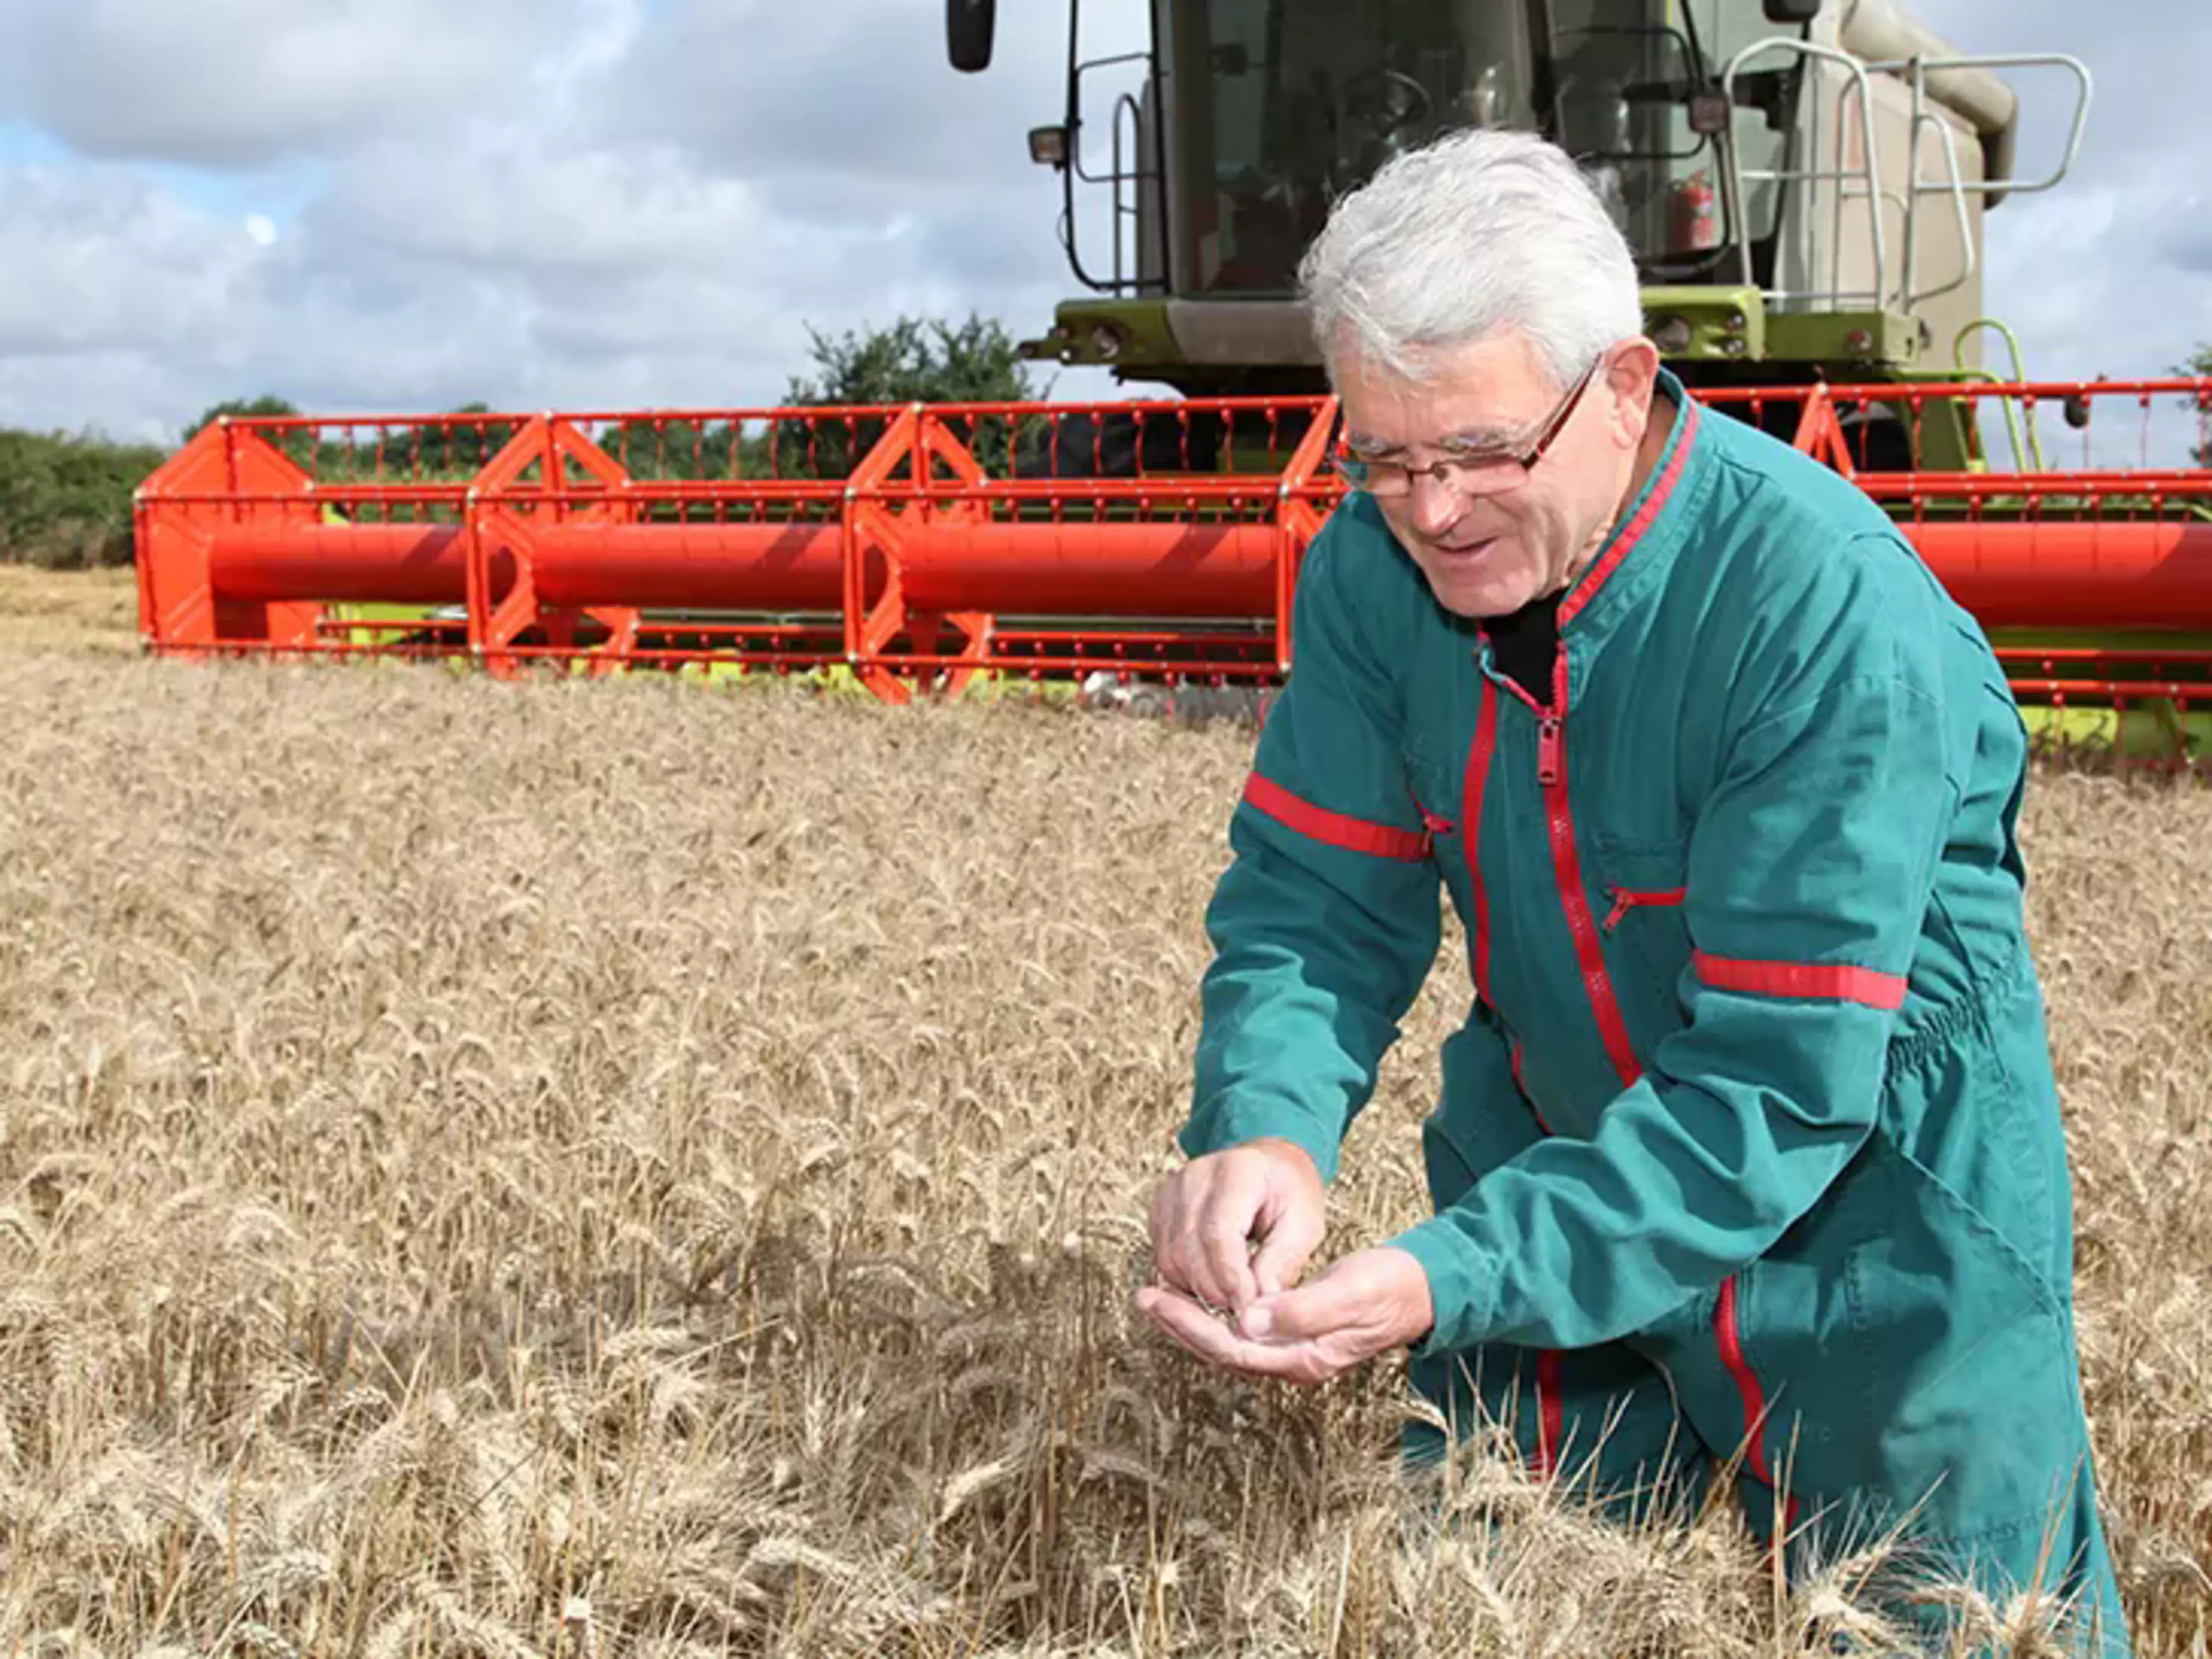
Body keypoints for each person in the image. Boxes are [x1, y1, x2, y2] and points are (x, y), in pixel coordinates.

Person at [1136, 129, 2127, 1653]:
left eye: (1477, 453)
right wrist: (1264, 1123)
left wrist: (1445, 1273)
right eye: (1384, 457)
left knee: (1965, 1622)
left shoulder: (1824, 614)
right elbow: (1316, 897)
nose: (1432, 511)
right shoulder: (1366, 572)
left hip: (1880, 1227)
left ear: (1618, 385)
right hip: (1550, 1155)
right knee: (1479, 1609)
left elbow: (1777, 1087)